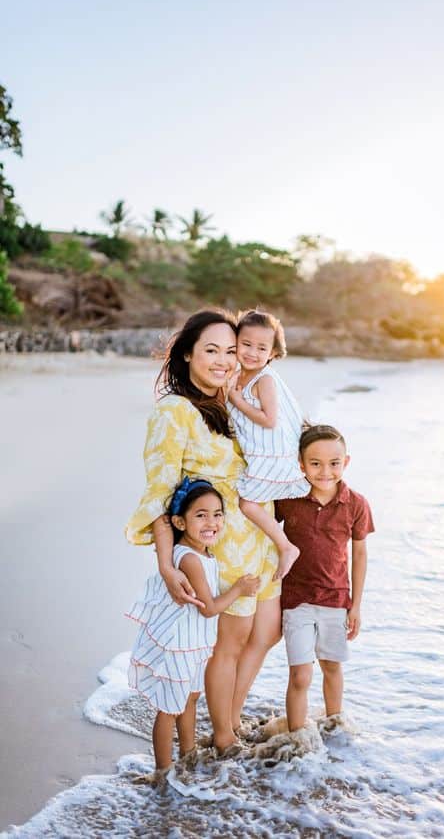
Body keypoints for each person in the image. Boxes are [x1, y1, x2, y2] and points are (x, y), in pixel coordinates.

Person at [126, 309, 282, 755]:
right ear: (188, 353)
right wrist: (166, 564)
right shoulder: (174, 411)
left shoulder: (231, 401)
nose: (223, 360)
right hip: (222, 545)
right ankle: (224, 735)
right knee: (228, 644)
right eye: (211, 350)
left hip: (259, 538)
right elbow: (161, 495)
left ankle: (229, 718)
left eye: (231, 351)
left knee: (267, 633)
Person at [127, 477, 260, 782]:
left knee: (189, 699)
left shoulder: (201, 553)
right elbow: (209, 607)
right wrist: (239, 589)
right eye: (201, 515)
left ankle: (187, 755)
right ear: (180, 522)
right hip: (181, 642)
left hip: (196, 641)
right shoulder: (190, 559)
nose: (211, 522)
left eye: (217, 514)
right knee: (169, 707)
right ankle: (162, 770)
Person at [274, 424, 375, 733]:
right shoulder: (287, 498)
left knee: (332, 667)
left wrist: (355, 605)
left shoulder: (356, 503)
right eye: (315, 463)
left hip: (335, 600)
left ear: (345, 463)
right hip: (296, 599)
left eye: (334, 463)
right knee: (300, 675)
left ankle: (335, 728)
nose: (325, 471)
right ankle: (295, 740)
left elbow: (359, 555)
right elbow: (259, 524)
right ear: (301, 464)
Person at [227, 309, 309, 581]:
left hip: (272, 453)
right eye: (246, 344)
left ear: (272, 353)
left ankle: (286, 546)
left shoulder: (264, 379)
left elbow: (270, 419)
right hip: (259, 451)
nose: (252, 352)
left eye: (261, 348)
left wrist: (237, 401)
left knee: (248, 504)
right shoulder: (238, 375)